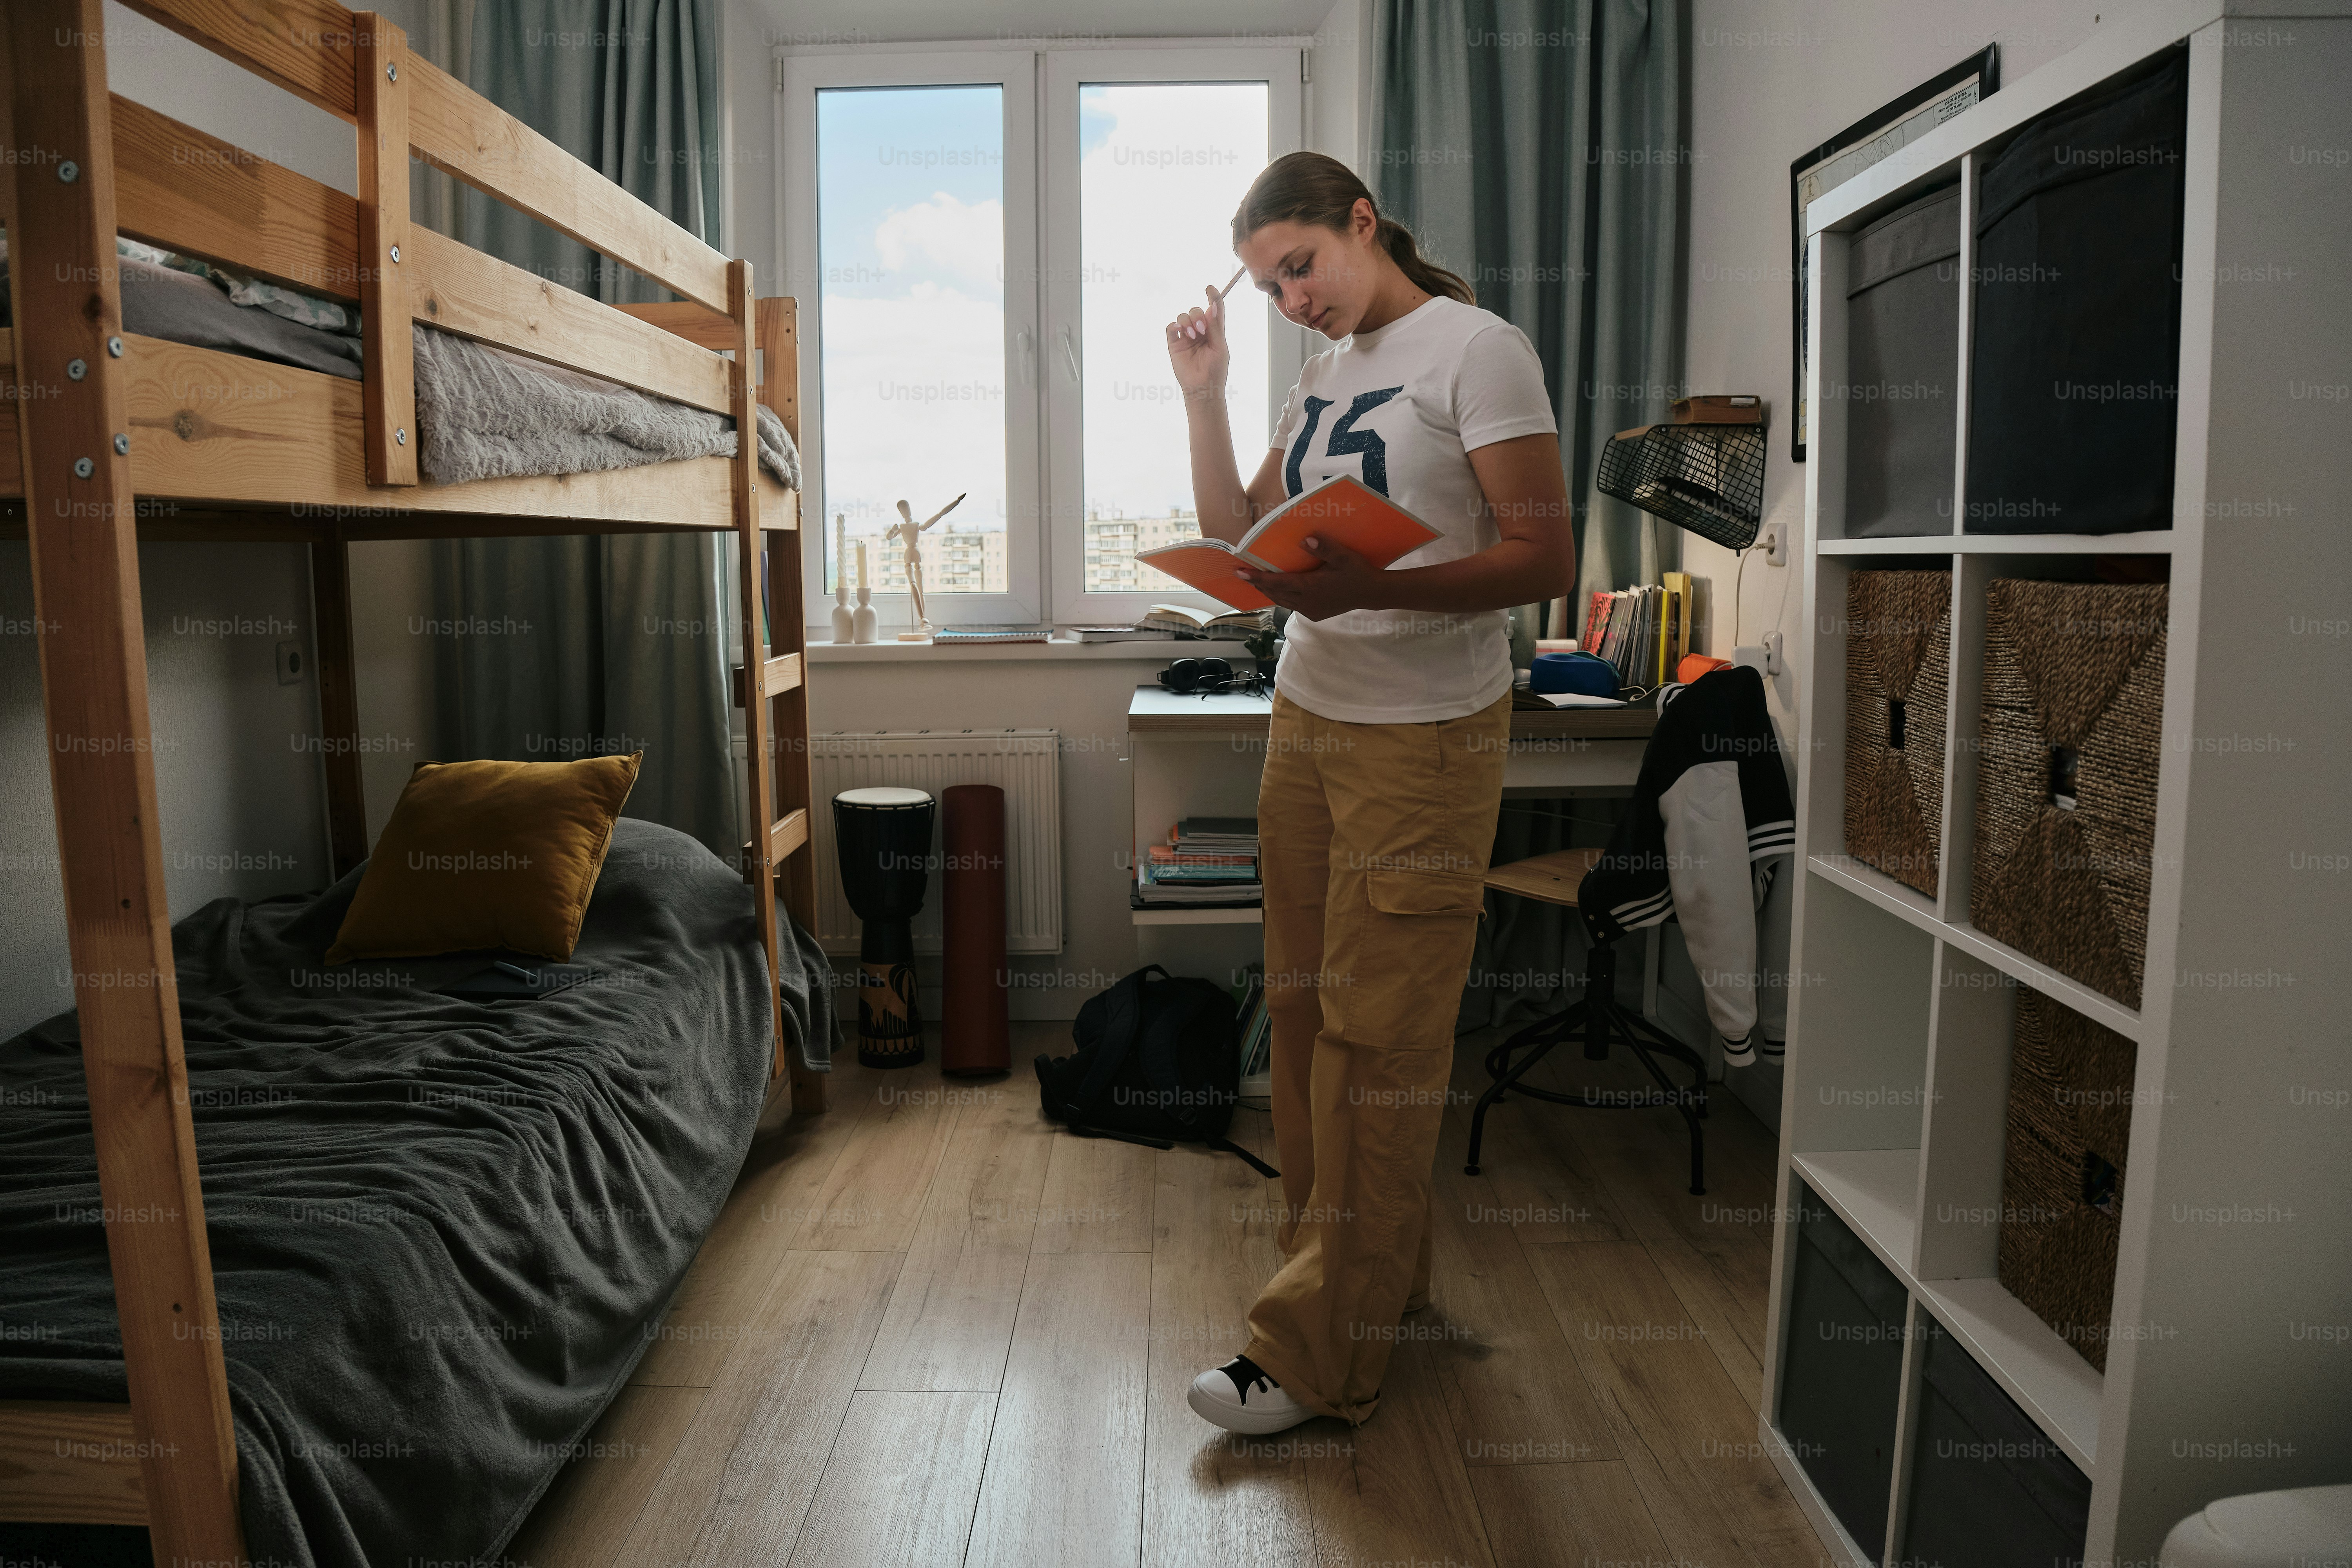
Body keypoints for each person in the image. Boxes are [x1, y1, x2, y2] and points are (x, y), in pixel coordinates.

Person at [1165, 151, 1573, 1434]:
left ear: (1362, 223)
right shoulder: (1322, 369)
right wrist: (1206, 395)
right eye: (1266, 285)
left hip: (1425, 735)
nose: (1292, 298)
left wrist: (1376, 589)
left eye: (1301, 267)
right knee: (1300, 1016)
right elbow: (1241, 522)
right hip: (1310, 715)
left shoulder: (1478, 350)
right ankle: (1351, 1285)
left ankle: (1317, 1355)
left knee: (1379, 1042)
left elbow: (1541, 554)